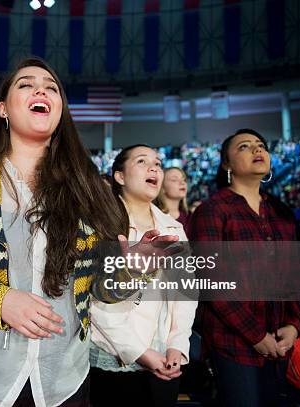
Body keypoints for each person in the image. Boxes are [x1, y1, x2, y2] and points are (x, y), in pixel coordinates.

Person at [0, 58, 176, 406]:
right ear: (3, 109)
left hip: (61, 383)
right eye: (26, 84)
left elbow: (97, 293)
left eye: (51, 87)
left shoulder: (86, 191)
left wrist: (130, 272)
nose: (41, 90)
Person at [187, 128, 300, 407]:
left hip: (279, 340)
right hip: (233, 343)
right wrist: (256, 336)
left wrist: (294, 324)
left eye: (261, 145)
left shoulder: (281, 211)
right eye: (244, 146)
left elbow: (294, 275)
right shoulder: (213, 210)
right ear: (226, 164)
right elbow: (211, 280)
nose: (257, 150)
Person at [90, 145, 197, 407]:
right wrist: (138, 352)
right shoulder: (99, 225)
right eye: (142, 161)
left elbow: (186, 291)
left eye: (158, 164)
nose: (154, 168)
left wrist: (177, 345)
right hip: (112, 357)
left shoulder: (173, 227)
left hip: (164, 357)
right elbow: (94, 301)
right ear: (120, 176)